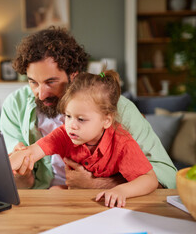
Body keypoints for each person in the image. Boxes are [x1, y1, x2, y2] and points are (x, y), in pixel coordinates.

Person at [0, 26, 177, 190]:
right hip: (44, 201)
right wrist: (20, 175)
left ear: (73, 74)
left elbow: (167, 177)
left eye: (51, 82)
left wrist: (97, 184)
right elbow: (18, 184)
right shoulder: (15, 105)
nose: (41, 94)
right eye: (33, 82)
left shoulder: (115, 108)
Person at [9, 71, 159, 207]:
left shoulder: (122, 143)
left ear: (106, 120)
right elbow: (32, 151)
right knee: (55, 191)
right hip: (80, 202)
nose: (71, 126)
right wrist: (11, 162)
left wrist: (121, 191)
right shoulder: (64, 134)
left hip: (110, 203)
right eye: (68, 116)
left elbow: (150, 180)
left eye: (81, 119)